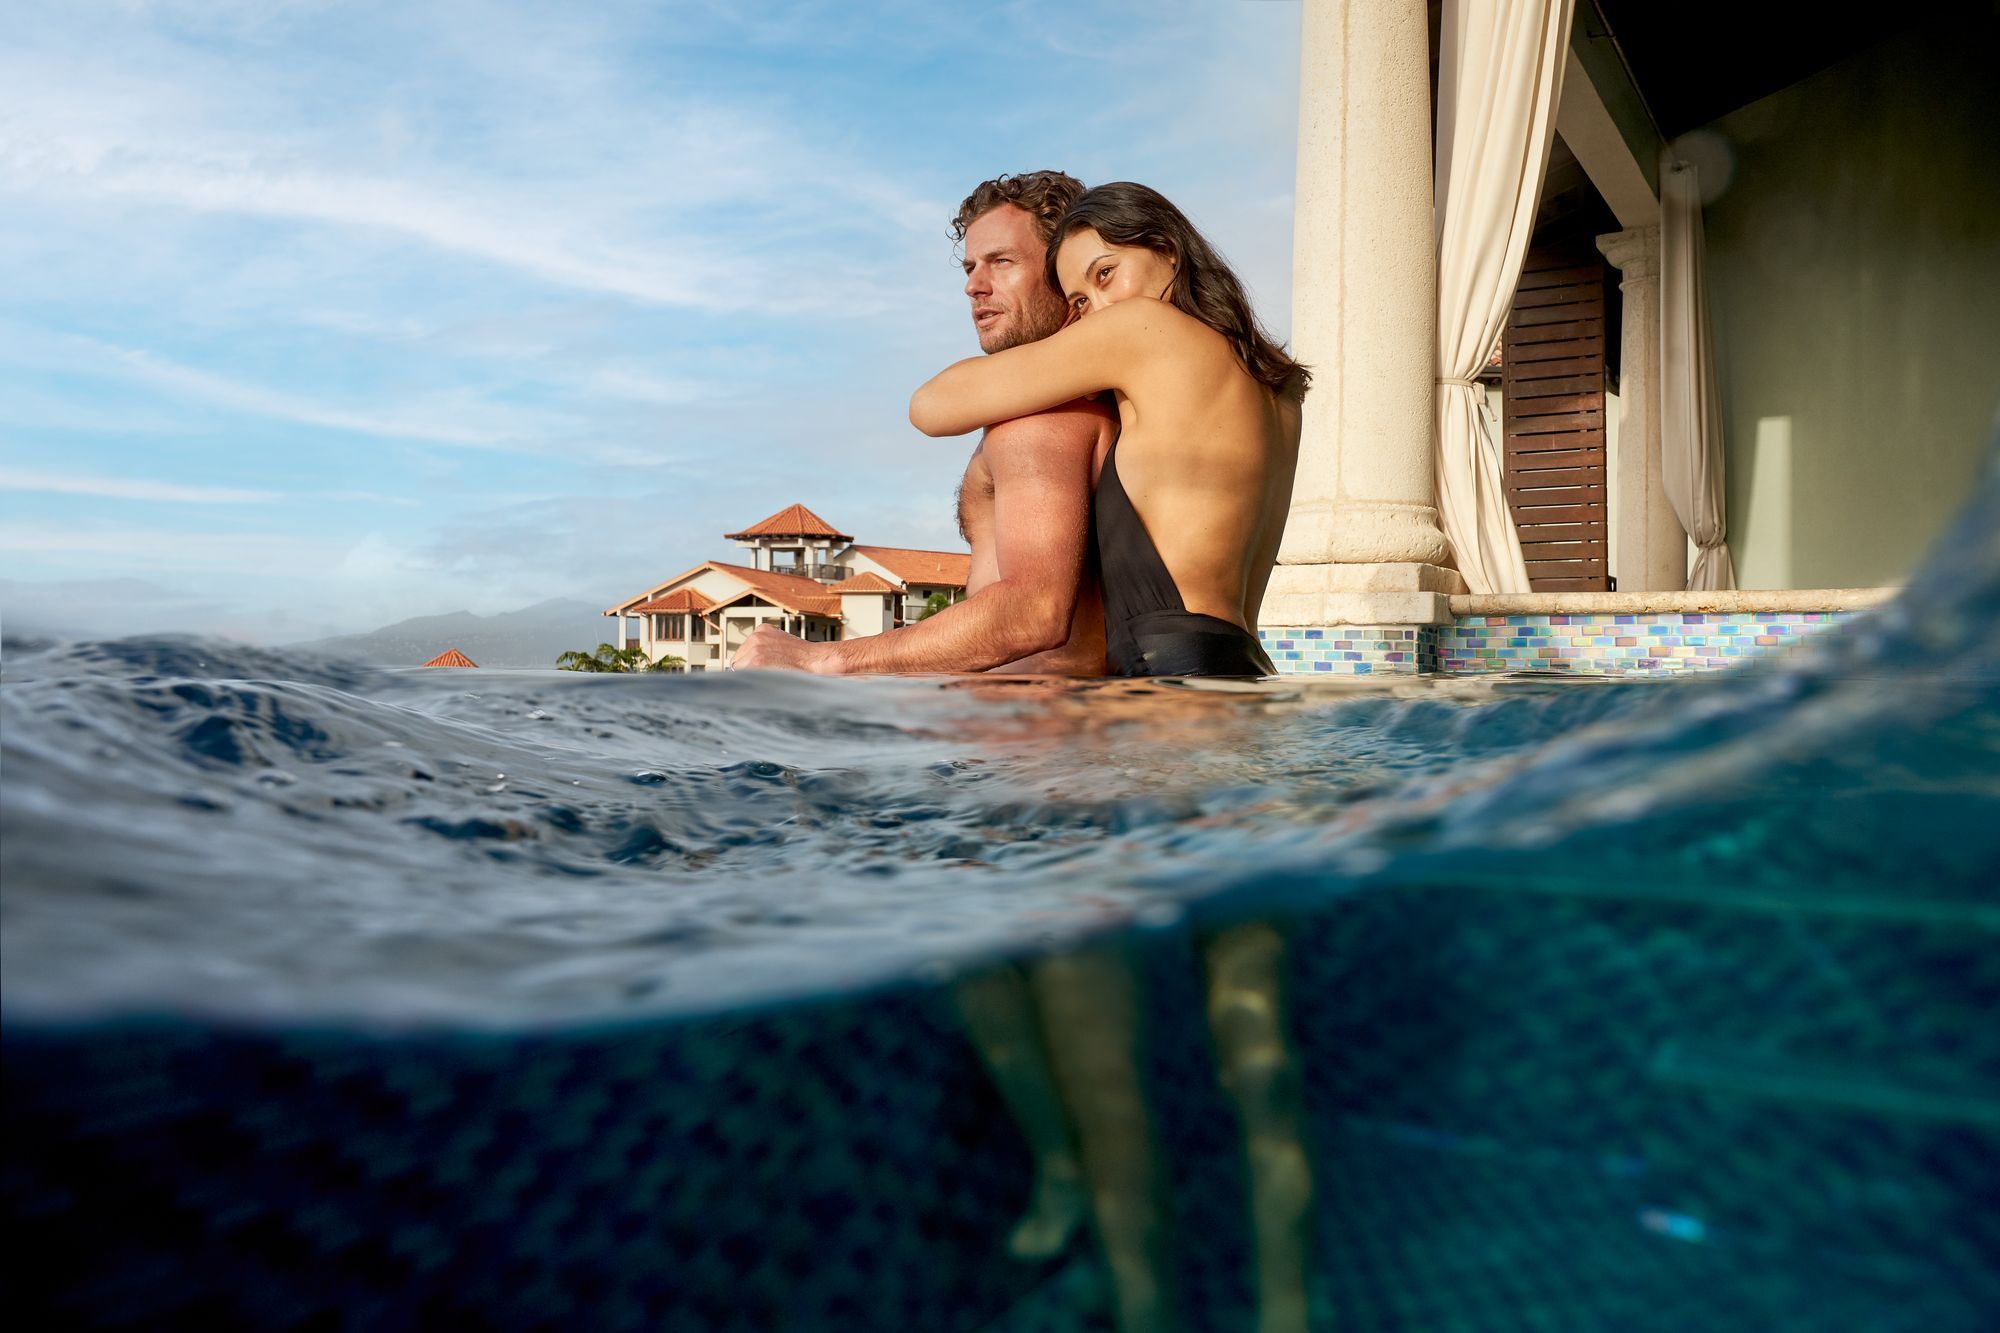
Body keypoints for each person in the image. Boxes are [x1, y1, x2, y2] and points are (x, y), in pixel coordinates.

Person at [909, 181, 1308, 679]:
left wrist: (828, 658)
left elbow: (931, 406)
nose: (1096, 311)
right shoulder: (1276, 385)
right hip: (1241, 668)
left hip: (1168, 687)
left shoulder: (1143, 327)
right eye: (1079, 300)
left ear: (1168, 250)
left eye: (1105, 274)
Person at [732, 171, 1115, 675]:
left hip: (1039, 738)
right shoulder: (1076, 404)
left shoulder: (1044, 420)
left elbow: (1032, 613)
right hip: (1044, 730)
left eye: (1002, 262)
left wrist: (821, 657)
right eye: (971, 267)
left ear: (1065, 272)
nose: (975, 286)